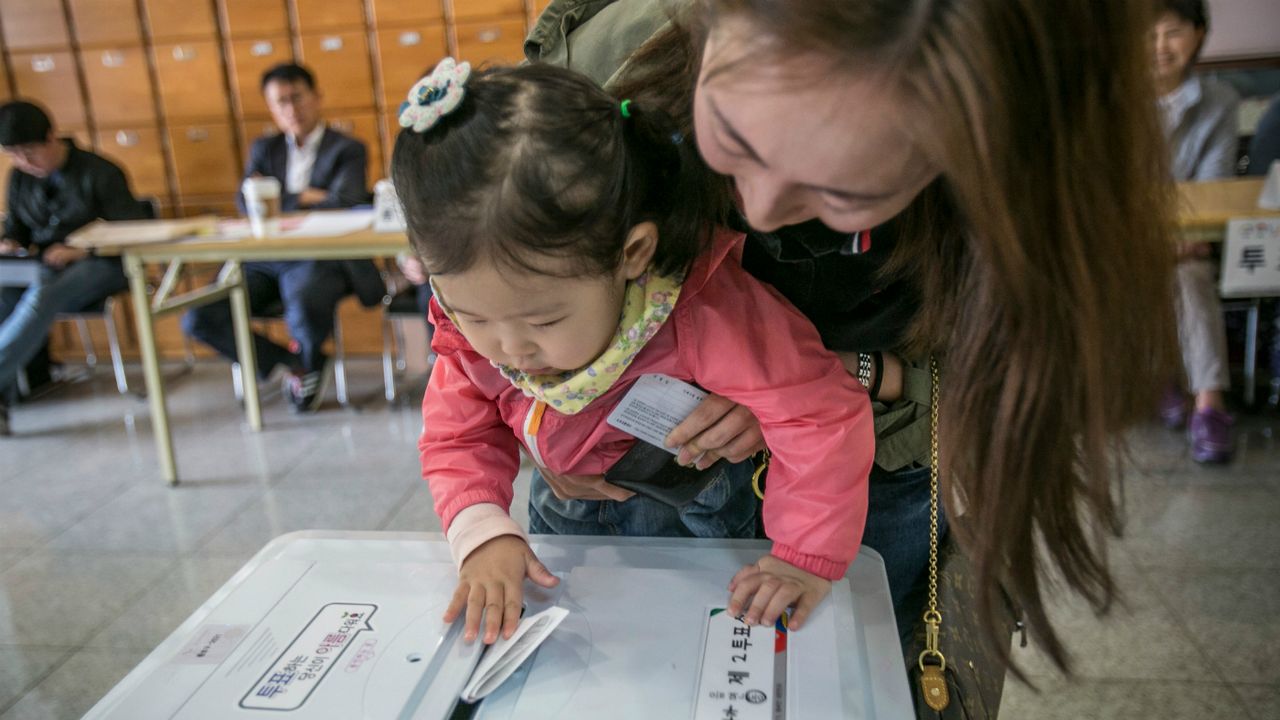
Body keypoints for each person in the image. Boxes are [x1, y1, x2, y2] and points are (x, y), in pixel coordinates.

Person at [526, 0, 1177, 675]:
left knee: (842, 682)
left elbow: (1015, 384)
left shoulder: (1042, 173)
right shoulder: (609, 63)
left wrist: (837, 378)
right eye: (731, 136)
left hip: (866, 480)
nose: (757, 209)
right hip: (634, 477)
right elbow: (494, 290)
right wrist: (535, 414)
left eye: (840, 197)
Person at [393, 60, 875, 644]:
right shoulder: (474, 337)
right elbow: (457, 435)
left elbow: (818, 410)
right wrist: (484, 532)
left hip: (698, 516)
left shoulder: (699, 310)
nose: (510, 347)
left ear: (633, 254)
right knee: (596, 652)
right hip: (562, 507)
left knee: (695, 651)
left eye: (544, 319)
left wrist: (802, 556)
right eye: (473, 316)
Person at [182, 63, 380, 412]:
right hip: (265, 257)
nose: (291, 109)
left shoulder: (347, 148)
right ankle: (297, 364)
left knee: (302, 297)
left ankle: (303, 361)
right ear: (271, 107)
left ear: (317, 98)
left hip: (320, 256)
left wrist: (279, 199)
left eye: (297, 98)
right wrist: (306, 197)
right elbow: (246, 201)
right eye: (281, 102)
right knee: (200, 315)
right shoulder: (265, 148)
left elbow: (345, 202)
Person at [0, 101, 149, 436]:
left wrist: (79, 249)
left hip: (101, 265)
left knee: (42, 295)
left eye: (29, 152)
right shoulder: (20, 179)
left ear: (52, 137)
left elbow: (131, 231)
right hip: (43, 266)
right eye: (14, 156)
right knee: (8, 291)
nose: (24, 162)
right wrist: (9, 243)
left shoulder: (100, 171)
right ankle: (15, 391)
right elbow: (18, 228)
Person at [1152, 0, 1240, 463]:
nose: (1159, 46)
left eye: (1172, 32)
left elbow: (1215, 182)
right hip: (1129, 239)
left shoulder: (1219, 101)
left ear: (1199, 34)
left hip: (1190, 236)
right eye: (1147, 35)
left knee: (1188, 276)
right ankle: (1161, 376)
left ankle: (1208, 406)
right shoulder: (1111, 103)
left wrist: (1185, 234)